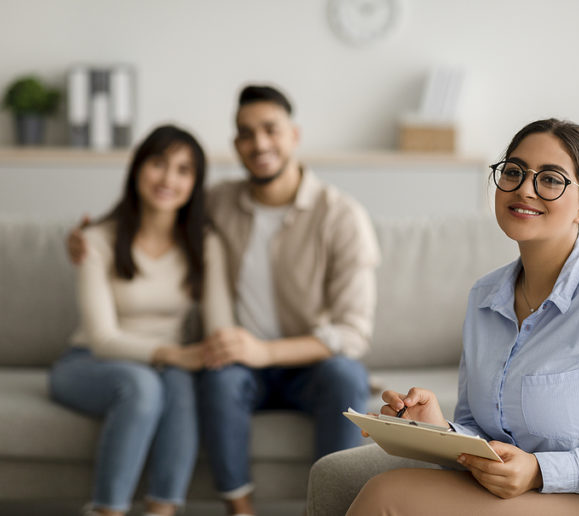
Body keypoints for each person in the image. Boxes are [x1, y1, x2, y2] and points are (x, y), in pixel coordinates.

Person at [346, 119, 579, 515]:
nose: (524, 188)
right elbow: (483, 436)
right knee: (386, 492)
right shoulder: (484, 297)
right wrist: (437, 428)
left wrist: (541, 471)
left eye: (550, 179)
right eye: (513, 172)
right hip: (517, 496)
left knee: (387, 500)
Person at [68, 85, 380, 516]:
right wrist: (86, 236)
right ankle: (240, 508)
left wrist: (263, 351)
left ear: (294, 135)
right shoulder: (218, 205)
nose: (259, 144)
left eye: (270, 130)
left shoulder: (342, 215)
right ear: (236, 144)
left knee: (348, 375)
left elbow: (352, 332)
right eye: (246, 134)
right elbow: (155, 210)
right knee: (218, 377)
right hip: (239, 365)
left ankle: (336, 509)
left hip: (309, 362)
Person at [51, 125, 235, 516]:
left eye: (184, 170)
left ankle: (162, 510)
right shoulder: (96, 239)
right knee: (142, 384)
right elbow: (101, 339)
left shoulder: (206, 243)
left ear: (195, 184)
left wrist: (217, 350)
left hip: (168, 367)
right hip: (87, 363)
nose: (169, 179)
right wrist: (174, 353)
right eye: (158, 164)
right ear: (137, 168)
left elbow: (220, 326)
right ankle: (107, 511)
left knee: (179, 380)